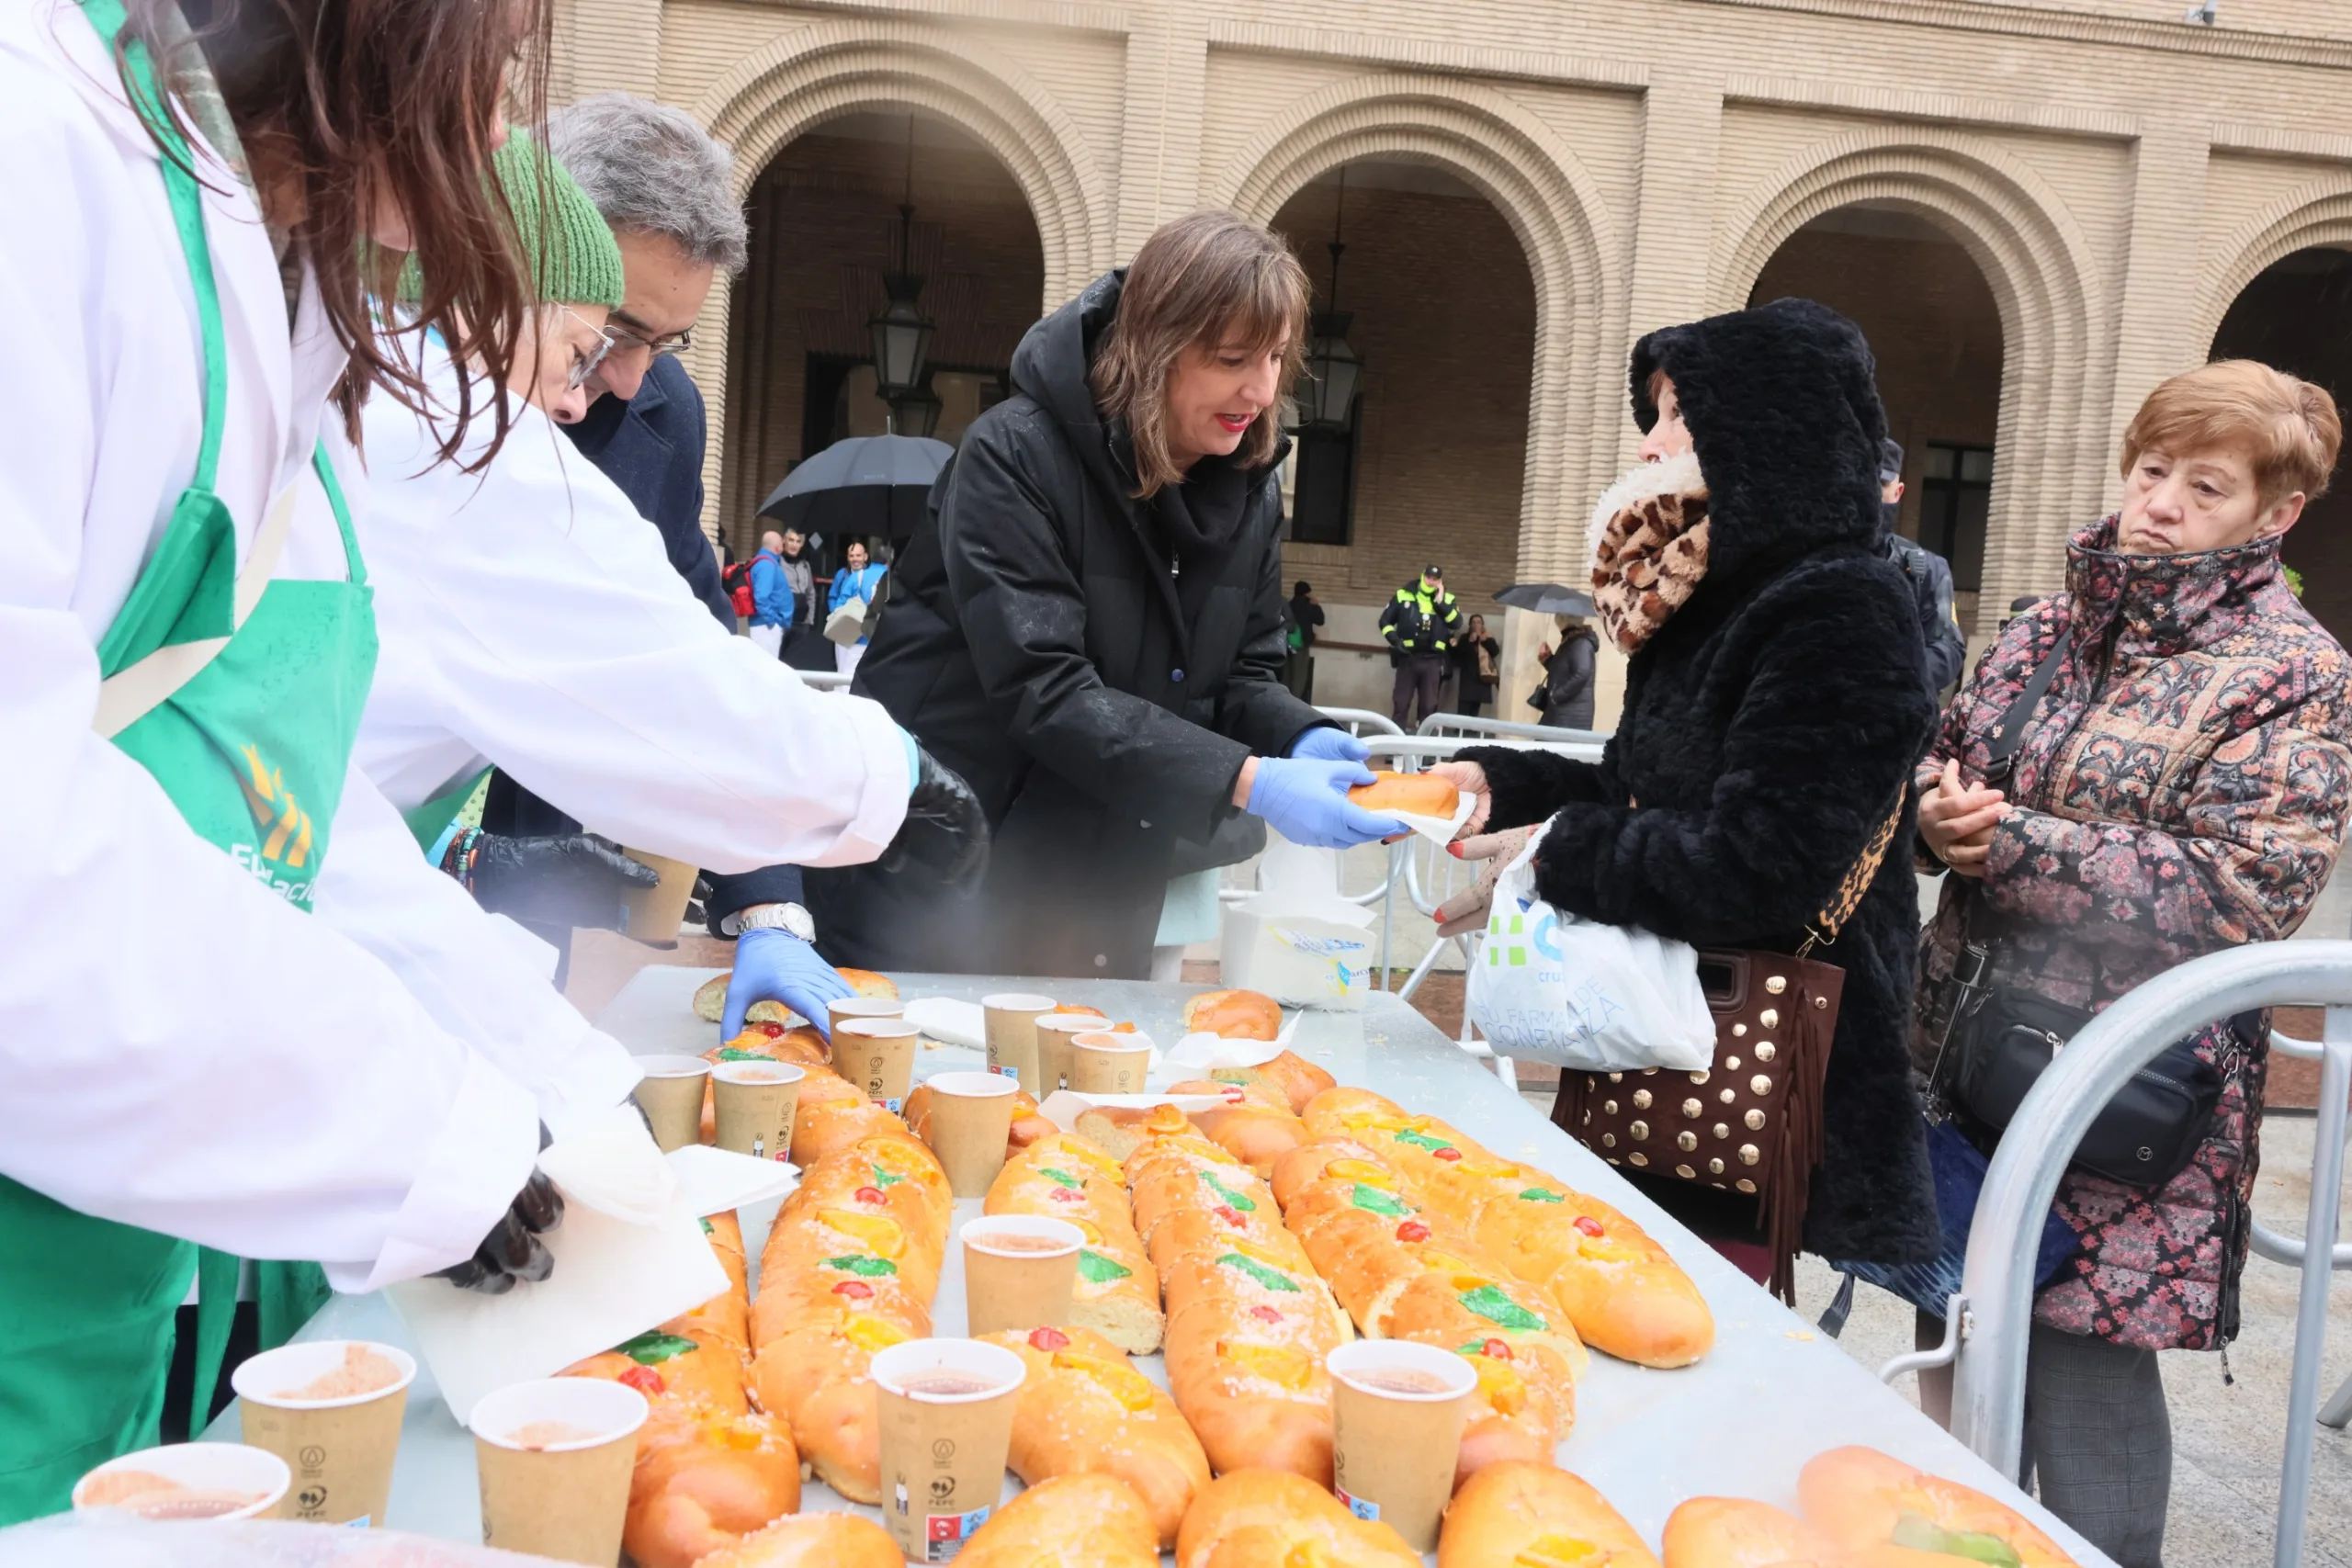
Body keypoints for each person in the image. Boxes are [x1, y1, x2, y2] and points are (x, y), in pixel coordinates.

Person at [0, 0, 641, 1517]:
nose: (502, 131)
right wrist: (423, 1127)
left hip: (100, 1187)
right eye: (497, 64)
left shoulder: (244, 266)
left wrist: (524, 1078)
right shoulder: (42, 154)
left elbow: (291, 818)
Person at [353, 140, 989, 1041]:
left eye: (663, 343)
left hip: (373, 859)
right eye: (601, 340)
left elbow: (693, 631)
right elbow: (668, 683)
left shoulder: (651, 415)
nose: (609, 385)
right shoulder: (456, 438)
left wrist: (771, 905)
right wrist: (883, 774)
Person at [1910, 361, 2350, 1567]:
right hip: (1960, 1052)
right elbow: (1944, 756)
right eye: (2153, 469)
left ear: (2275, 512)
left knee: (2084, 1381)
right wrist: (1934, 815)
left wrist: (2014, 842)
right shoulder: (2044, 623)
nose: (2159, 503)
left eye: (2205, 486)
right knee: (1951, 1332)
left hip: (2124, 1092)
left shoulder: (2291, 670)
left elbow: (2253, 883)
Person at [1430, 299, 1940, 1286]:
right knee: (1606, 1299)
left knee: (1684, 1327)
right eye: (1656, 412)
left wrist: (1560, 850)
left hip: (1752, 1056)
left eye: (1681, 416)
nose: (1651, 441)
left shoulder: (1840, 602)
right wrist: (1502, 784)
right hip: (1660, 1033)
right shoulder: (1711, 595)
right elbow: (1639, 788)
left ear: (1765, 434)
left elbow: (1760, 868)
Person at [808, 209, 1408, 976]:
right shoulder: (1014, 455)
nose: (1261, 391)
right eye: (1232, 359)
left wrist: (1300, 735)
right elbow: (1046, 688)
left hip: (1099, 875)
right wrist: (1252, 781)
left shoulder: (1251, 486)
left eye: (1276, 357)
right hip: (945, 861)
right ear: (1155, 347)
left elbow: (1244, 674)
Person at [548, 92, 742, 631]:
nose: (632, 384)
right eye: (614, 333)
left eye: (663, 344)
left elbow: (699, 626)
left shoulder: (673, 410)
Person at [1878, 438, 1968, 702]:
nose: (1870, 493)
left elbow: (1947, 649)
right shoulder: (1812, 557)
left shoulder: (1925, 568)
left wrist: (1885, 678)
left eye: (1881, 484)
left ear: (1898, 492)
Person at [1381, 563, 1463, 728]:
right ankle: (1395, 741)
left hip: (1433, 660)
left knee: (1428, 707)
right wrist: (1395, 641)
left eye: (1435, 579)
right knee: (1401, 703)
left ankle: (1423, 743)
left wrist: (1441, 602)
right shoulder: (1404, 594)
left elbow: (1456, 623)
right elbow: (1385, 621)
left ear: (1440, 581)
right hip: (1408, 657)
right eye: (1428, 577)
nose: (1431, 582)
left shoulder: (1448, 599)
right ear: (1423, 576)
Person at [829, 538, 888, 675]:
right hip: (880, 639)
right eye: (851, 555)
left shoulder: (856, 577)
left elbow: (839, 606)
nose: (855, 559)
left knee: (845, 677)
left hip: (853, 637)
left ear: (868, 557)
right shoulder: (893, 579)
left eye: (858, 555)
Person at [1534, 615, 1598, 728]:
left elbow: (1582, 674)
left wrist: (1557, 695)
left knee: (1544, 739)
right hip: (1561, 711)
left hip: (1570, 715)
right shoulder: (1571, 640)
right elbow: (1562, 671)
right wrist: (1547, 659)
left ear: (1565, 620)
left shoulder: (1581, 643)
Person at [747, 529, 793, 657]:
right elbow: (761, 598)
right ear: (777, 547)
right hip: (765, 627)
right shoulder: (767, 564)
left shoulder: (767, 562)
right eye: (782, 544)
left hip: (766, 625)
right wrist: (772, 622)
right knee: (765, 665)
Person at [1450, 613, 1501, 716]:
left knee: (1475, 710)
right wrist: (1469, 641)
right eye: (1473, 622)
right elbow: (1458, 655)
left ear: (1482, 625)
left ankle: (1471, 726)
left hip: (1481, 679)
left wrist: (1485, 641)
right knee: (1463, 709)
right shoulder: (1464, 638)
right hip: (1468, 679)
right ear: (1470, 625)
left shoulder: (1488, 637)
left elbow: (1495, 652)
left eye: (1478, 622)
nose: (1476, 625)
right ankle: (1460, 725)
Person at [1284, 580, 1324, 699]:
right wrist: (1316, 605)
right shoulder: (1309, 606)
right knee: (1299, 677)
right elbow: (1320, 621)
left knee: (1287, 675)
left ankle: (1284, 699)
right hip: (1301, 646)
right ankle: (1294, 702)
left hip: (1286, 645)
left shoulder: (1288, 605)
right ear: (1307, 593)